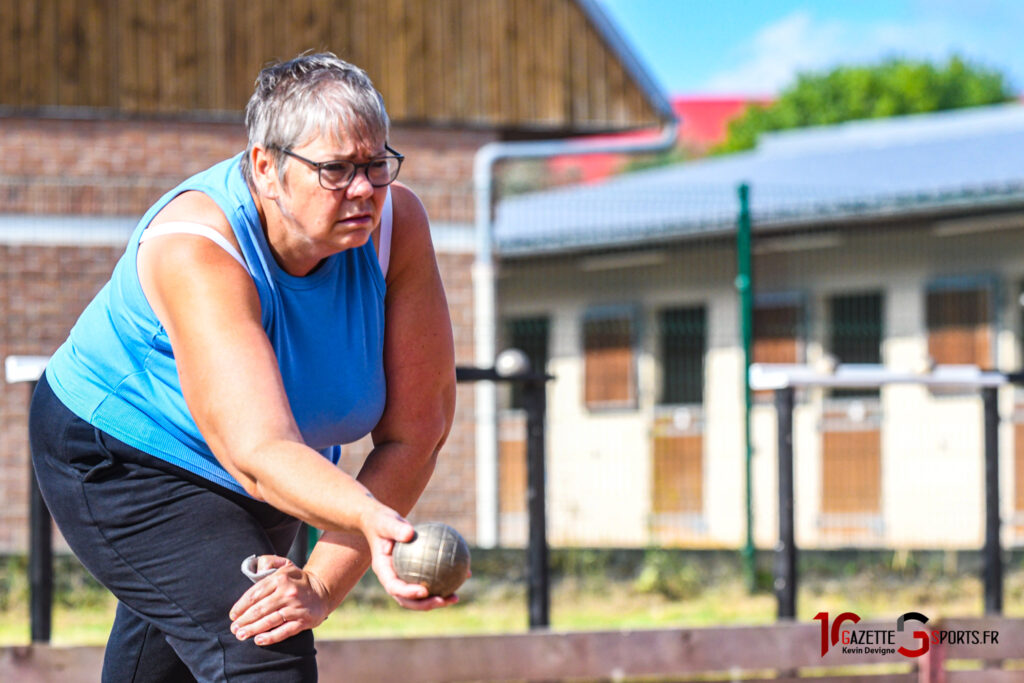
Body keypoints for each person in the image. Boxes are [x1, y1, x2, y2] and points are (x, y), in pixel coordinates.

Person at [29, 52, 457, 682]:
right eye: (336, 170)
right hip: (123, 456)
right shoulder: (196, 246)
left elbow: (417, 432)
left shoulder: (397, 225)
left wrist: (322, 582)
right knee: (261, 649)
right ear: (266, 166)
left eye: (375, 165)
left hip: (273, 471)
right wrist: (370, 519)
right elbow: (257, 447)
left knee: (193, 652)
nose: (364, 189)